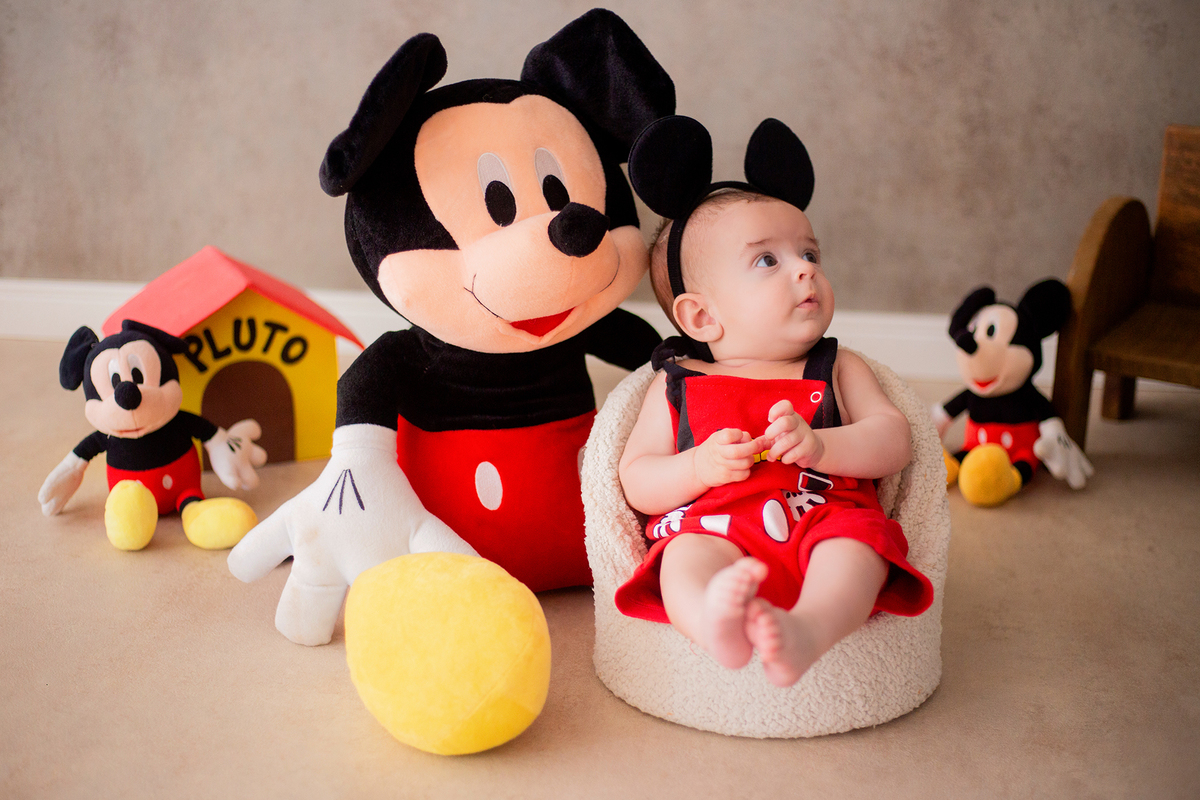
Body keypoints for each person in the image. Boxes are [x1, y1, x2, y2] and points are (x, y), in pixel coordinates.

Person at [614, 187, 934, 688]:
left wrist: (826, 447)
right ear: (702, 317)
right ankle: (712, 622)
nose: (805, 269)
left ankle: (809, 628)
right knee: (682, 560)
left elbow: (895, 439)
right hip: (717, 527)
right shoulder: (676, 382)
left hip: (822, 518)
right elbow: (637, 480)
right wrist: (698, 466)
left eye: (809, 254)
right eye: (768, 259)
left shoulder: (836, 366)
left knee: (859, 550)